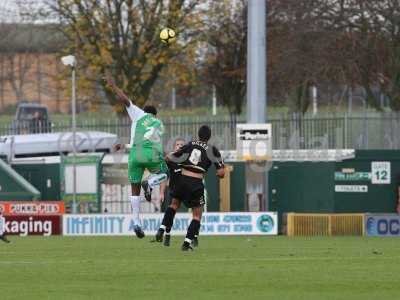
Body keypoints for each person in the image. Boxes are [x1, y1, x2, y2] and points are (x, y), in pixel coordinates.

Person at [105, 76, 168, 238]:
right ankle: (151, 182)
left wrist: (114, 86)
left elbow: (125, 100)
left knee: (134, 190)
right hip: (151, 154)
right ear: (155, 114)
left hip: (134, 155)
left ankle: (137, 223)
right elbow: (153, 144)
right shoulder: (159, 124)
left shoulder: (139, 114)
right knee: (164, 173)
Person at [156, 125, 225, 251]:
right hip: (196, 182)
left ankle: (162, 228)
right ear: (209, 137)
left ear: (198, 135)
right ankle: (187, 243)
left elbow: (172, 156)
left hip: (182, 179)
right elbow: (221, 173)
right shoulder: (213, 150)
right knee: (197, 215)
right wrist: (217, 172)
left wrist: (165, 159)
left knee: (174, 205)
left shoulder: (190, 144)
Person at [156, 137, 185, 246]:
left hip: (187, 191)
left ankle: (193, 237)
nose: (180, 146)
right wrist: (161, 192)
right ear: (174, 147)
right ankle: (167, 234)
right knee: (171, 213)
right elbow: (164, 177)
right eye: (178, 144)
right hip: (174, 190)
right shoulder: (170, 159)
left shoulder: (188, 159)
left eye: (182, 144)